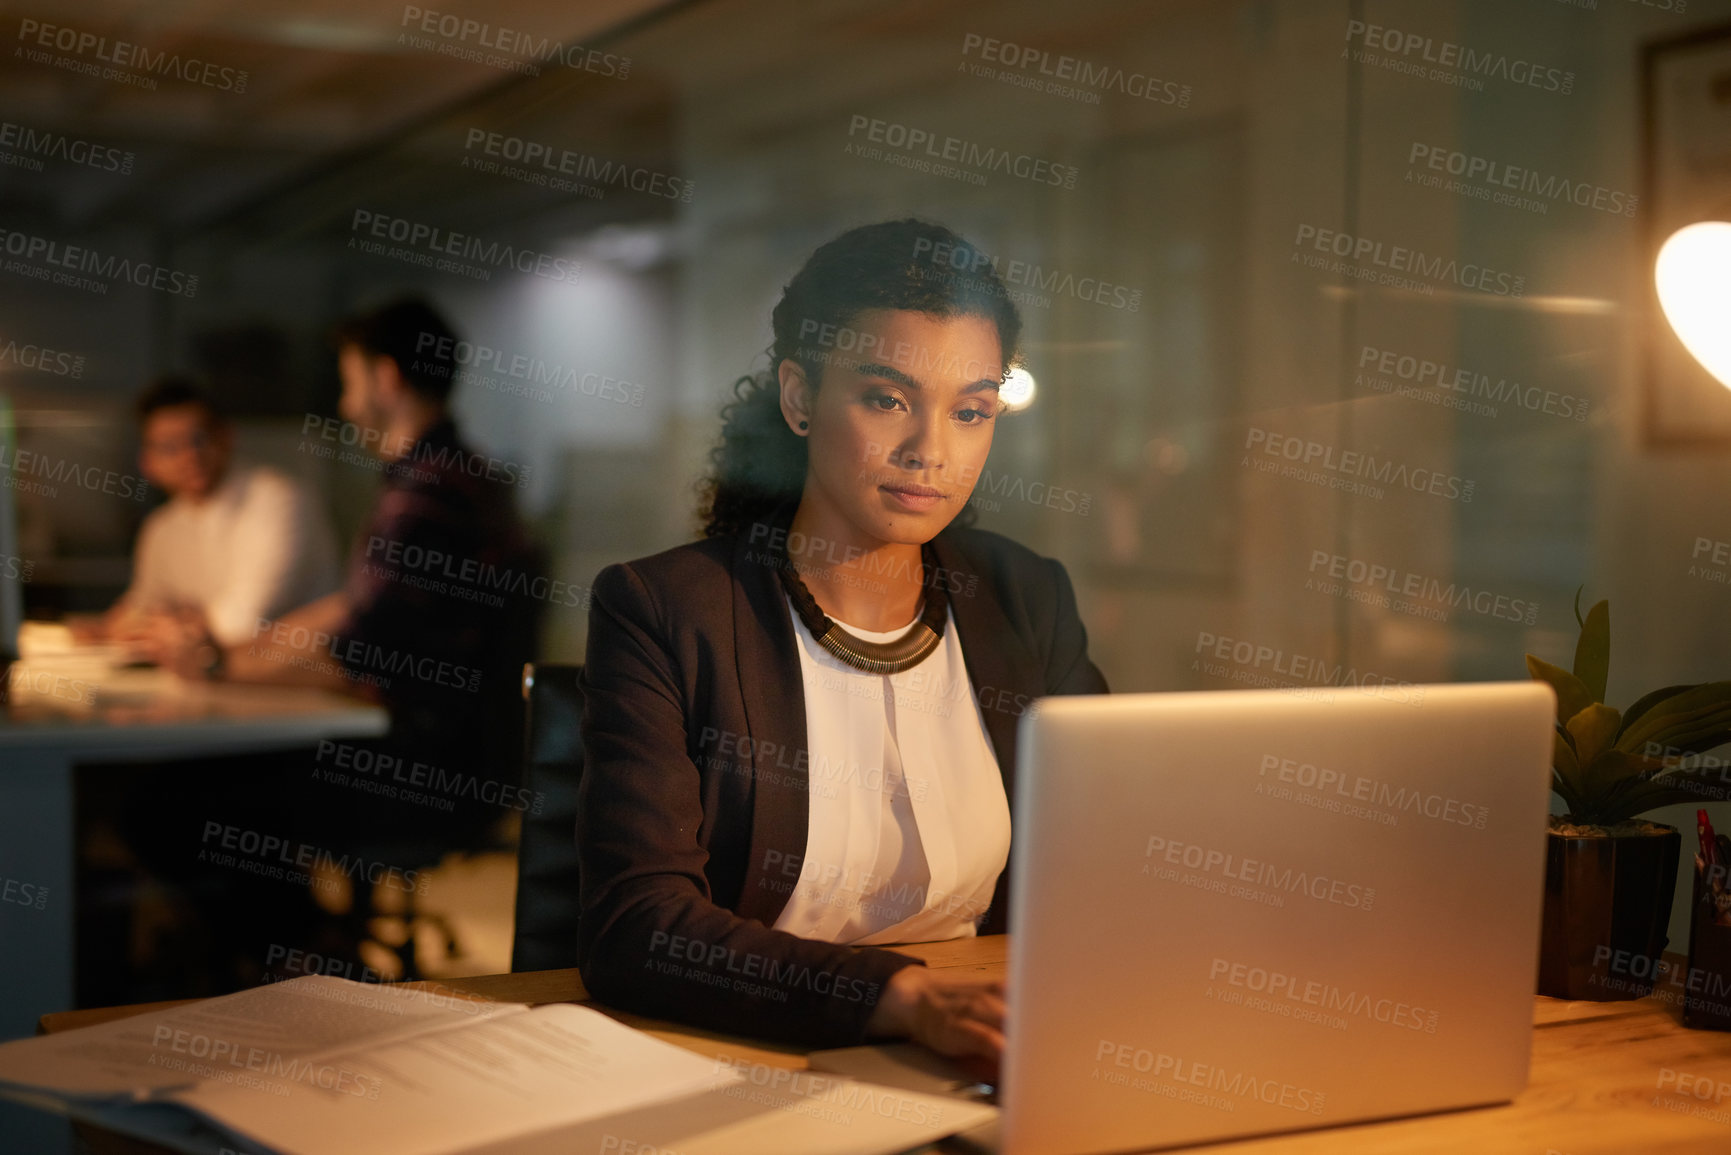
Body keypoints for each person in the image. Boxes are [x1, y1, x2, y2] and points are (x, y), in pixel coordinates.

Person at [576, 220, 1108, 1066]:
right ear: (797, 398)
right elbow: (635, 925)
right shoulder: (666, 610)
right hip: (738, 1049)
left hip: (979, 1043)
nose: (930, 451)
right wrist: (896, 996)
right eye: (887, 399)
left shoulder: (1023, 596)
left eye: (971, 411)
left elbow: (1106, 854)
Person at [160, 298, 542, 839]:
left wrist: (220, 669)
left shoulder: (425, 498)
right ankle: (304, 924)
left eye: (349, 382)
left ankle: (295, 927)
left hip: (420, 771)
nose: (344, 404)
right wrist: (231, 655)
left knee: (177, 804)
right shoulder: (449, 477)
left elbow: (356, 652)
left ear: (385, 379)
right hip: (453, 760)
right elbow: (351, 610)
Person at [89, 378, 340, 661]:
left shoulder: (278, 501)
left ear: (227, 436)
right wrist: (110, 626)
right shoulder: (162, 527)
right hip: (216, 679)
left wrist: (178, 625)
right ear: (149, 463)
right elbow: (142, 608)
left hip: (299, 681)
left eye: (199, 439)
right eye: (170, 447)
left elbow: (245, 622)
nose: (189, 456)